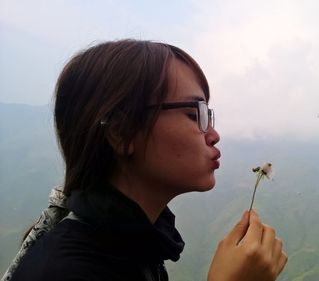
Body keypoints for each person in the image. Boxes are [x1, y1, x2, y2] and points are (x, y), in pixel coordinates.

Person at [4, 39, 287, 281]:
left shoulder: (133, 252)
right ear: (122, 133)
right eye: (194, 113)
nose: (213, 135)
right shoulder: (65, 272)